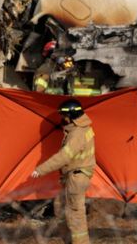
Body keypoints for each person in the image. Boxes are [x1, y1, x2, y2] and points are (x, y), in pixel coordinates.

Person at [31, 99, 95, 244]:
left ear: (71, 115)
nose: (62, 119)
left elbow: (64, 156)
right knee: (60, 207)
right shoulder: (77, 129)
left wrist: (41, 169)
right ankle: (69, 240)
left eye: (63, 116)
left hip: (76, 177)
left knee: (75, 214)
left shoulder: (77, 134)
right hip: (72, 177)